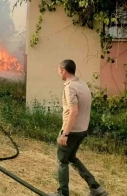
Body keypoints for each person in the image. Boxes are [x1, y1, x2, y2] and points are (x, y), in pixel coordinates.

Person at [48, 60, 108, 196]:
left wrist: (65, 134)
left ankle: (62, 193)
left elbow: (74, 112)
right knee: (71, 158)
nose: (58, 73)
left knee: (62, 160)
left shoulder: (70, 87)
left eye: (59, 70)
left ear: (64, 70)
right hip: (82, 129)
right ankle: (96, 187)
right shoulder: (83, 85)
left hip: (72, 131)